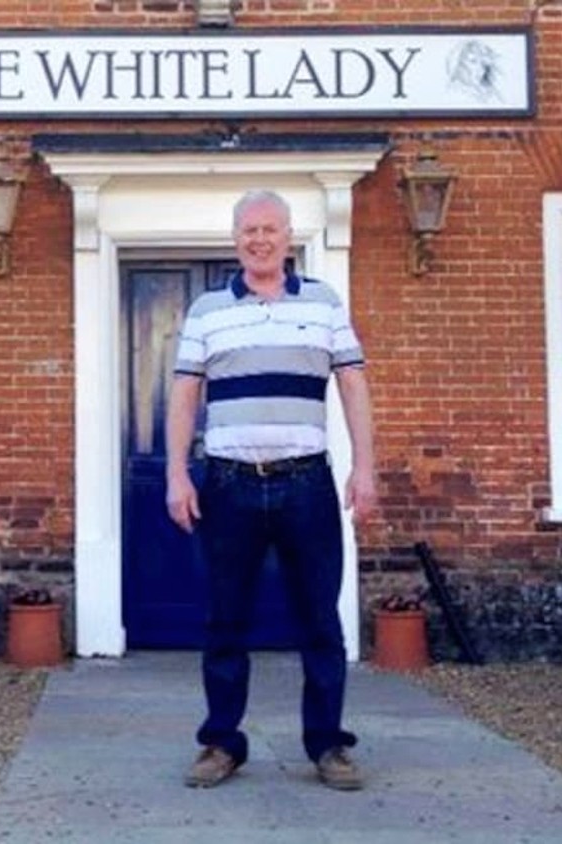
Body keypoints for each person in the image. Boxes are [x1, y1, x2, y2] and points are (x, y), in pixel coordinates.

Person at [165, 189, 378, 791]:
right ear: (236, 241)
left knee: (320, 621)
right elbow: (184, 394)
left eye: (270, 230)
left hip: (306, 483)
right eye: (249, 231)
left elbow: (354, 385)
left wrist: (365, 468)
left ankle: (328, 745)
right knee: (224, 621)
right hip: (229, 485)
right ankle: (221, 743)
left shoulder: (323, 302)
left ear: (289, 238)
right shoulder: (207, 311)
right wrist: (177, 474)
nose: (259, 240)